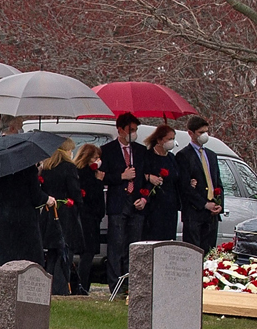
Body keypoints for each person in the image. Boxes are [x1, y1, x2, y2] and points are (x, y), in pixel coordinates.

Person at [99, 113, 144, 286]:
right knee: (116, 245)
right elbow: (103, 177)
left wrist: (143, 197)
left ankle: (130, 284)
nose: (133, 133)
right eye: (130, 130)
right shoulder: (108, 150)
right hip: (118, 203)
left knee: (133, 247)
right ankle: (114, 284)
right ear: (120, 130)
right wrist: (121, 176)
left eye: (135, 130)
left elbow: (145, 177)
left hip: (136, 204)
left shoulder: (140, 151)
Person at [40, 139, 85, 294]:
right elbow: (74, 192)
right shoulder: (69, 168)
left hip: (49, 213)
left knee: (52, 254)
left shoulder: (46, 168)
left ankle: (48, 286)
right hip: (66, 214)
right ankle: (60, 288)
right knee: (65, 253)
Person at [175, 116, 223, 253]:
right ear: (190, 133)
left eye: (206, 132)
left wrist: (219, 204)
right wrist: (203, 204)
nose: (204, 135)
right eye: (200, 132)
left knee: (210, 254)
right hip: (194, 214)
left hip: (212, 215)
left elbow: (218, 182)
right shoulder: (184, 156)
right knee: (194, 253)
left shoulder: (211, 155)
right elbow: (184, 187)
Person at [136, 123, 179, 242]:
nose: (172, 141)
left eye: (173, 139)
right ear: (159, 140)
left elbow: (177, 177)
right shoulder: (148, 156)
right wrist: (148, 177)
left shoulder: (171, 158)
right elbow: (139, 173)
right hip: (153, 205)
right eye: (169, 139)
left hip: (170, 205)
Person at [75, 142, 105, 290]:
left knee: (88, 254)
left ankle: (83, 284)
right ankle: (82, 285)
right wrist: (98, 182)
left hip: (92, 218)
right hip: (87, 218)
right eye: (94, 158)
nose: (97, 161)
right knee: (87, 254)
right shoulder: (84, 174)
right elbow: (92, 195)